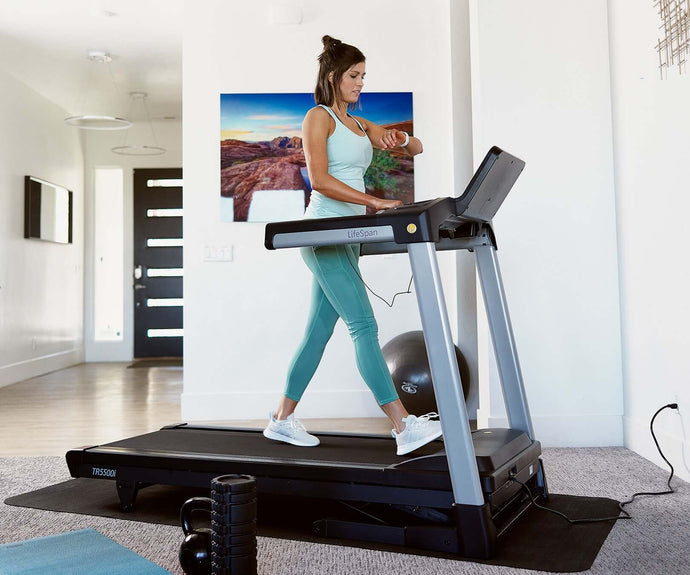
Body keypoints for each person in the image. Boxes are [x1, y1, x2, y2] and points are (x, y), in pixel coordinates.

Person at [263, 35, 442, 456]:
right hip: (323, 232)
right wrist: (374, 201)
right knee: (364, 324)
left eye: (363, 76)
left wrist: (404, 141)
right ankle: (402, 426)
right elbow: (321, 180)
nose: (361, 82)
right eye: (354, 76)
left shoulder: (360, 125)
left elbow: (416, 146)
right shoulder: (318, 117)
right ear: (333, 77)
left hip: (348, 237)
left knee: (318, 332)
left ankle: (282, 420)